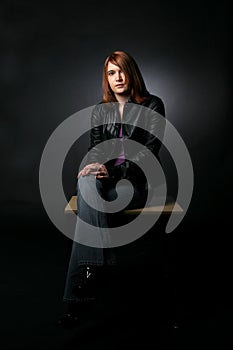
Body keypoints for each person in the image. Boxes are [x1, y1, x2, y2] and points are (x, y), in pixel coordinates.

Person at [57, 50, 166, 328]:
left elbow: (149, 155)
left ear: (132, 72)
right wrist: (92, 167)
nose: (117, 78)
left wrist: (114, 170)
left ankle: (78, 297)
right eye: (111, 73)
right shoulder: (100, 110)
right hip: (104, 185)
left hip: (136, 184)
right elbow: (95, 151)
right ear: (106, 78)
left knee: (87, 202)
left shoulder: (152, 105)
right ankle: (95, 263)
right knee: (85, 180)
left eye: (121, 70)